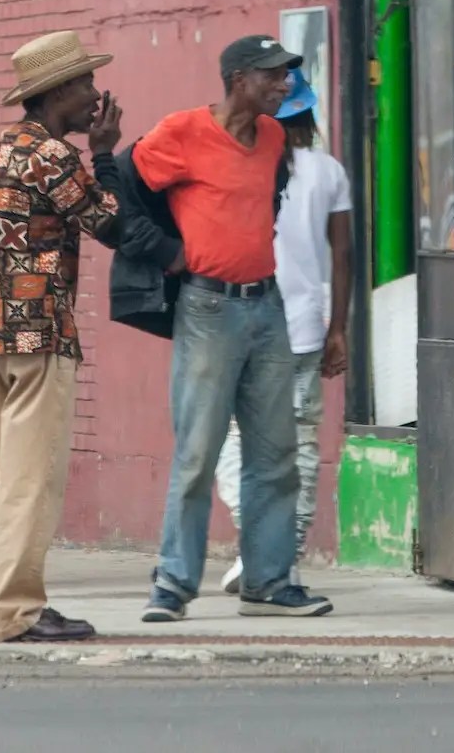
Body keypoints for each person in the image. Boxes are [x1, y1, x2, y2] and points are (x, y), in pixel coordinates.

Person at [135, 35, 333, 622]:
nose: (284, 85)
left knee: (276, 453)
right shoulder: (181, 131)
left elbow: (264, 203)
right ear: (238, 79)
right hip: (208, 310)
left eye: (286, 74)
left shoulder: (272, 137)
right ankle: (172, 584)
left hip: (267, 307)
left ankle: (268, 581)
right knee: (198, 452)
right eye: (273, 75)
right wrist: (167, 251)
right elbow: (125, 192)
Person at [0, 30, 125, 643]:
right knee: (32, 480)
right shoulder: (52, 155)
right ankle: (16, 614)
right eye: (85, 84)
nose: (95, 96)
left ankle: (3, 605)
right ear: (56, 94)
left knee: (4, 480)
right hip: (40, 336)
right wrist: (104, 154)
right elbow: (111, 224)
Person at [213, 68, 351, 595]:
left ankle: (257, 546)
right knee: (300, 444)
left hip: (238, 322)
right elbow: (343, 256)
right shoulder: (328, 171)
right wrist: (338, 329)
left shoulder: (237, 162)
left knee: (231, 436)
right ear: (309, 115)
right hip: (303, 329)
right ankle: (283, 556)